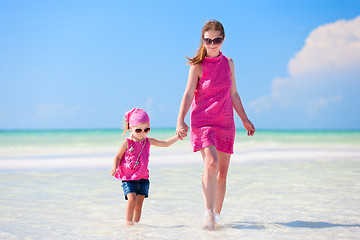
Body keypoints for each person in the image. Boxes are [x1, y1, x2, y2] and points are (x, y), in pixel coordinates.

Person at [176, 20, 255, 230]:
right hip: (203, 122)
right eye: (208, 40)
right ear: (203, 40)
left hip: (225, 122)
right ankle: (208, 214)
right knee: (210, 162)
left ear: (223, 39)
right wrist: (180, 120)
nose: (212, 44)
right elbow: (188, 93)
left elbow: (234, 93)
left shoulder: (229, 63)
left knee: (222, 173)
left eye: (217, 40)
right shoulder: (197, 66)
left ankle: (217, 218)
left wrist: (244, 119)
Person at [111, 108, 180, 225]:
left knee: (139, 205)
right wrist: (114, 167)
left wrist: (177, 136)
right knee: (132, 199)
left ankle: (136, 225)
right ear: (130, 128)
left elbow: (165, 143)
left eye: (146, 129)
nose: (142, 132)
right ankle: (128, 224)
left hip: (143, 178)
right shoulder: (127, 142)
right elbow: (118, 156)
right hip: (129, 178)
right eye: (138, 130)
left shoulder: (148, 141)